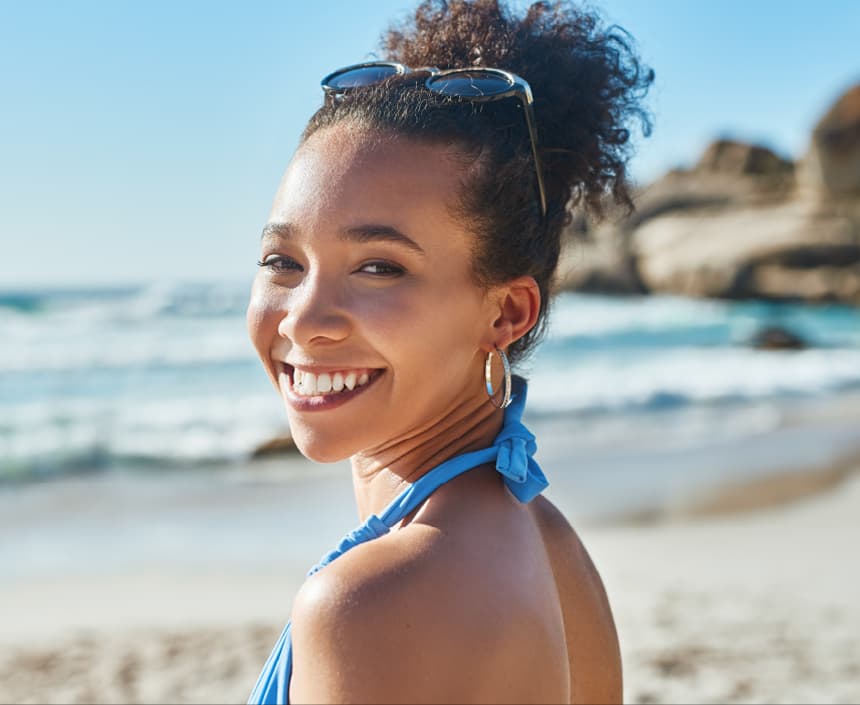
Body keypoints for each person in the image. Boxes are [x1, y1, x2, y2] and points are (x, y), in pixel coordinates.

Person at [245, 0, 652, 702]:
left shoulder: (365, 605)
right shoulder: (552, 546)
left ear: (506, 311)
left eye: (380, 266)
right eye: (284, 260)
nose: (305, 319)